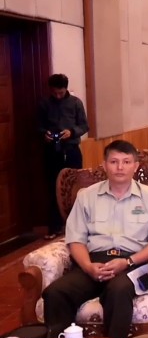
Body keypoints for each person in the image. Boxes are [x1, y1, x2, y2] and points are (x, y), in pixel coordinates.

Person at [43, 140, 148, 338]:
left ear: (135, 166)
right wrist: (88, 266)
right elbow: (75, 239)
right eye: (114, 162)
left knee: (118, 290)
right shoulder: (87, 196)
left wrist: (127, 261)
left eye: (126, 162)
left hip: (133, 264)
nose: (120, 167)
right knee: (56, 292)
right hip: (94, 262)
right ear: (104, 165)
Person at [39, 74, 90, 239]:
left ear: (66, 89)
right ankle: (54, 226)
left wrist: (72, 132)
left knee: (75, 187)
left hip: (72, 150)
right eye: (55, 93)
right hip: (52, 151)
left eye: (61, 93)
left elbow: (85, 125)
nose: (58, 96)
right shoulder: (44, 104)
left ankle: (76, 226)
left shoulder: (76, 103)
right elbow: (38, 126)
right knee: (53, 187)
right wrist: (44, 134)